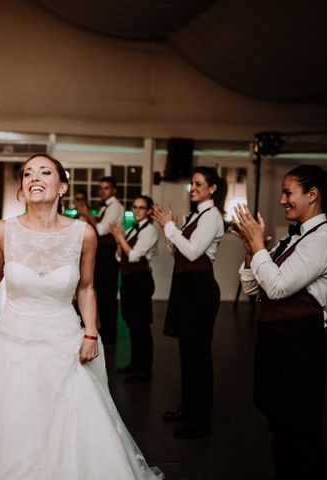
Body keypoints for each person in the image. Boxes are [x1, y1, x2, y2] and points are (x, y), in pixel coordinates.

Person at [0, 154, 163, 480]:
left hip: (64, 344)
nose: (35, 177)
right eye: (28, 173)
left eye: (45, 172)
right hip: (11, 343)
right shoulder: (3, 231)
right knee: (6, 425)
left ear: (62, 186)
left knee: (70, 429)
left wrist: (91, 332)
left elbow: (86, 288)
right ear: (22, 187)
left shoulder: (83, 234)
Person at [234, 165, 327, 480]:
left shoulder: (324, 238)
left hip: (301, 345)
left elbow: (276, 287)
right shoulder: (293, 240)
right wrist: (252, 249)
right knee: (280, 425)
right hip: (278, 342)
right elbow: (253, 286)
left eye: (288, 192)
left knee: (301, 433)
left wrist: (260, 246)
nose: (282, 200)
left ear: (312, 195)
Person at [152, 167, 225, 439]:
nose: (192, 188)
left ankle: (200, 419)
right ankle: (188, 408)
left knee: (199, 357)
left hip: (200, 290)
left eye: (198, 183)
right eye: (191, 183)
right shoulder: (197, 216)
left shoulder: (212, 216)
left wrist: (170, 227)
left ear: (212, 188)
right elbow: (181, 252)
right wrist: (170, 230)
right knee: (187, 353)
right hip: (187, 287)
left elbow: (193, 253)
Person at [112, 195, 158, 383]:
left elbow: (134, 256)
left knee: (141, 326)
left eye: (141, 207)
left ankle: (145, 370)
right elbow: (119, 256)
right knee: (132, 324)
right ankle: (134, 363)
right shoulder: (132, 229)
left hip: (140, 281)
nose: (137, 210)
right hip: (129, 280)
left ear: (149, 211)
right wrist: (119, 241)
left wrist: (120, 237)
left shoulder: (150, 231)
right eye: (135, 207)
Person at [77, 176, 124, 344]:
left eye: (106, 188)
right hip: (101, 252)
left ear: (114, 190)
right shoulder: (106, 207)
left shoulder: (116, 207)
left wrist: (86, 214)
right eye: (101, 188)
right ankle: (105, 328)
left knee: (107, 294)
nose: (102, 191)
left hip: (109, 253)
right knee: (102, 292)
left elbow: (102, 230)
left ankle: (110, 332)